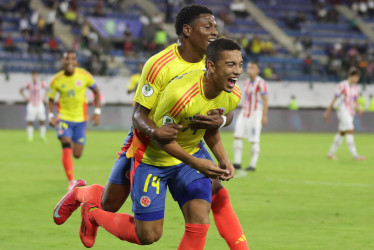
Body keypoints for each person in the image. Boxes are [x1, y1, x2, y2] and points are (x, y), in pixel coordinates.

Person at [53, 5, 247, 250]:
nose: (214, 32)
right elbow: (138, 115)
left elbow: (224, 110)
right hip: (147, 142)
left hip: (187, 142)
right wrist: (155, 132)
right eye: (207, 27)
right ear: (187, 31)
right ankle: (82, 195)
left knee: (216, 198)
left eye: (215, 27)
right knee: (111, 205)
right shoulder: (160, 65)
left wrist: (220, 121)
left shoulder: (215, 62)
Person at [48, 51, 101, 189]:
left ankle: (69, 148)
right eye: (67, 59)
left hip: (80, 120)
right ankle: (71, 180)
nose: (70, 61)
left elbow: (96, 92)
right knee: (66, 144)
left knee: (77, 154)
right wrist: (51, 116)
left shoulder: (84, 75)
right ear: (62, 62)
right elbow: (51, 99)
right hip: (64, 118)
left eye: (72, 59)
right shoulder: (56, 80)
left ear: (76, 62)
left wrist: (97, 112)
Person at [233, 61, 268, 171]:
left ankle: (252, 165)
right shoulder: (246, 82)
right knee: (237, 135)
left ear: (258, 70)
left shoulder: (261, 83)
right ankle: (237, 162)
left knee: (254, 139)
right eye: (248, 68)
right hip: (244, 112)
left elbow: (265, 100)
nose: (250, 70)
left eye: (253, 67)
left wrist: (264, 115)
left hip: (256, 113)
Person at [324, 67, 365, 161]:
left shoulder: (355, 87)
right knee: (350, 130)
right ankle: (355, 155)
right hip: (342, 109)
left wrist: (358, 107)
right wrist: (328, 112)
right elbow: (335, 98)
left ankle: (330, 153)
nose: (357, 79)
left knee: (342, 132)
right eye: (355, 77)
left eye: (358, 77)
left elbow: (355, 99)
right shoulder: (342, 85)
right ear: (351, 76)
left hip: (350, 111)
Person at [19, 71, 47, 142]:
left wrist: (45, 97)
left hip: (39, 103)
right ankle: (30, 137)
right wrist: (25, 98)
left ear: (37, 76)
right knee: (30, 120)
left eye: (35, 75)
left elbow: (48, 89)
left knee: (42, 120)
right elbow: (21, 90)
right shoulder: (29, 84)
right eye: (33, 75)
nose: (34, 77)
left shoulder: (41, 83)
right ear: (32, 76)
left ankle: (42, 136)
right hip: (31, 104)